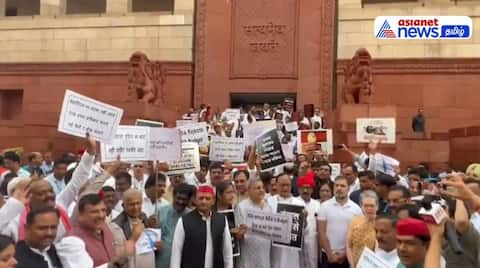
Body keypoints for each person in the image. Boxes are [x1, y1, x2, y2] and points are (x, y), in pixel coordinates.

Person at [0, 135, 96, 242]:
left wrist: (90, 153)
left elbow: (76, 182)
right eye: (42, 193)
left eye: (50, 191)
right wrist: (13, 205)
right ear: (29, 197)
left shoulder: (59, 205)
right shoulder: (17, 222)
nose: (49, 195)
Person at [170, 185, 233, 268]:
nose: (204, 201)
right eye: (201, 198)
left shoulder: (222, 220)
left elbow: (227, 251)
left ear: (213, 201)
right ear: (195, 200)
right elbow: (176, 253)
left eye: (207, 198)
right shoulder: (184, 221)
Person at [318, 176, 362, 268]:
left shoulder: (356, 209)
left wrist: (345, 254)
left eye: (342, 186)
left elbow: (357, 235)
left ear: (348, 188)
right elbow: (321, 232)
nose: (339, 188)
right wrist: (330, 254)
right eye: (336, 185)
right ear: (333, 187)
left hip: (347, 256)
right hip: (327, 255)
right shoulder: (324, 206)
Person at [112, 189, 158, 268]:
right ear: (123, 206)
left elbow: (149, 246)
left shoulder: (143, 217)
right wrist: (134, 236)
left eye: (138, 203)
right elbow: (118, 259)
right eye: (131, 204)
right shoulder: (116, 226)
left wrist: (156, 244)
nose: (136, 207)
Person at [267, 173, 304, 268]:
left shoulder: (299, 203)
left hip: (292, 250)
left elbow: (304, 229)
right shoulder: (268, 202)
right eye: (282, 185)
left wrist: (305, 219)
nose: (285, 188)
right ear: (276, 185)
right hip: (274, 248)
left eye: (287, 185)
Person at [70, 193, 116, 267]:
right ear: (81, 214)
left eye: (103, 210)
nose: (101, 215)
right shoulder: (73, 240)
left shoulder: (104, 227)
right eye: (94, 212)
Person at [156, 183, 195, 268]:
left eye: (184, 199)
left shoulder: (192, 216)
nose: (180, 202)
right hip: (162, 261)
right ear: (173, 196)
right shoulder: (160, 212)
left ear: (189, 200)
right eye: (178, 198)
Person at [237, 179, 272, 268]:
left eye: (262, 188)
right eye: (258, 188)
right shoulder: (241, 207)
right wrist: (240, 232)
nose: (261, 190)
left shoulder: (268, 206)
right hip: (248, 252)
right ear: (249, 191)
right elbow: (238, 232)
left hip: (265, 252)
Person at [295, 172, 321, 268]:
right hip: (297, 240)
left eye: (308, 188)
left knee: (312, 263)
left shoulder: (317, 204)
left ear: (312, 189)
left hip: (312, 241)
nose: (305, 190)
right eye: (303, 187)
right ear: (298, 189)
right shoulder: (293, 202)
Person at [346, 190, 378, 267]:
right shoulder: (354, 220)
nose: (369, 208)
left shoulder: (381, 223)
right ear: (361, 206)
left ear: (377, 206)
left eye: (372, 205)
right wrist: (352, 265)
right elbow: (348, 245)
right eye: (366, 206)